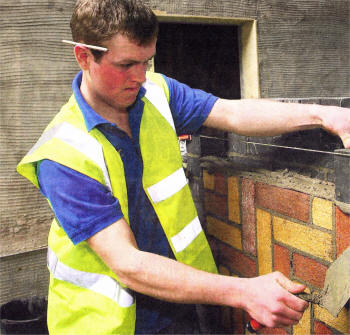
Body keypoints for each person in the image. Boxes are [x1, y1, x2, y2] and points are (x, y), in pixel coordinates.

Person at [17, 0, 350, 334]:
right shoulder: (62, 154)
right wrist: (244, 291)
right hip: (108, 325)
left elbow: (232, 113)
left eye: (145, 61)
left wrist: (325, 116)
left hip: (177, 308)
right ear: (84, 56)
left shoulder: (156, 93)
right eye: (126, 64)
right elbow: (128, 264)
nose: (138, 77)